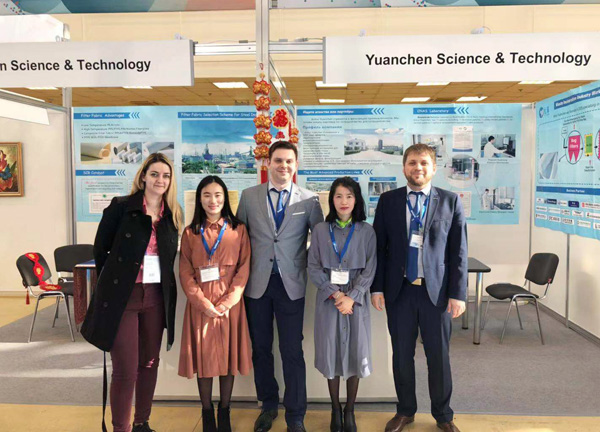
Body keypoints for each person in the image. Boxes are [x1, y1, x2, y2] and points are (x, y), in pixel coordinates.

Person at [82, 153, 183, 432]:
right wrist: (114, 284)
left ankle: (141, 423)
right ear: (143, 177)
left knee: (149, 363)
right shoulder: (121, 207)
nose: (160, 180)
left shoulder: (172, 213)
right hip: (123, 297)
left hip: (155, 297)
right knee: (126, 369)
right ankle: (121, 428)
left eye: (166, 175)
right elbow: (100, 250)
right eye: (155, 174)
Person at [371, 143, 468, 432]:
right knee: (402, 356)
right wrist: (377, 288)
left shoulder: (450, 201)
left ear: (434, 168)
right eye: (412, 162)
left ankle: (443, 415)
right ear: (404, 167)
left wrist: (458, 294)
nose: (418, 168)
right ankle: (405, 411)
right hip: (399, 291)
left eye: (424, 163)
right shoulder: (388, 201)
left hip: (436, 294)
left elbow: (459, 252)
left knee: (438, 357)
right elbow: (379, 248)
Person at [237, 140, 324, 432]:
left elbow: (320, 243)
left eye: (289, 161)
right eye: (278, 160)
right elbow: (239, 240)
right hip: (257, 285)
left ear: (296, 165)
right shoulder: (249, 197)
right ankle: (268, 404)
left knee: (292, 350)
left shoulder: (309, 200)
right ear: (268, 163)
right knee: (261, 348)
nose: (283, 166)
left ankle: (296, 414)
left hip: (291, 285)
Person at [178, 175, 252, 432]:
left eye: (218, 195)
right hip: (201, 307)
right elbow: (185, 272)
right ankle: (207, 411)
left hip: (230, 306)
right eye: (207, 195)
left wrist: (227, 302)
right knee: (205, 361)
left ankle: (225, 410)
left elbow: (244, 268)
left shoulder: (238, 229)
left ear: (225, 198)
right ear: (199, 199)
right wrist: (203, 303)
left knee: (228, 359)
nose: (213, 200)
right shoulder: (190, 233)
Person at [308, 177, 376, 432]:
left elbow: (370, 268)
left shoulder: (367, 231)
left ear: (356, 200)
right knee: (331, 354)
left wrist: (353, 296)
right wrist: (336, 295)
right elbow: (314, 267)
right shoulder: (320, 230)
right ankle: (335, 408)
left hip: (356, 303)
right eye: (338, 196)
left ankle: (350, 410)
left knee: (356, 353)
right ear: (331, 200)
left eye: (349, 196)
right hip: (330, 302)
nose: (343, 201)